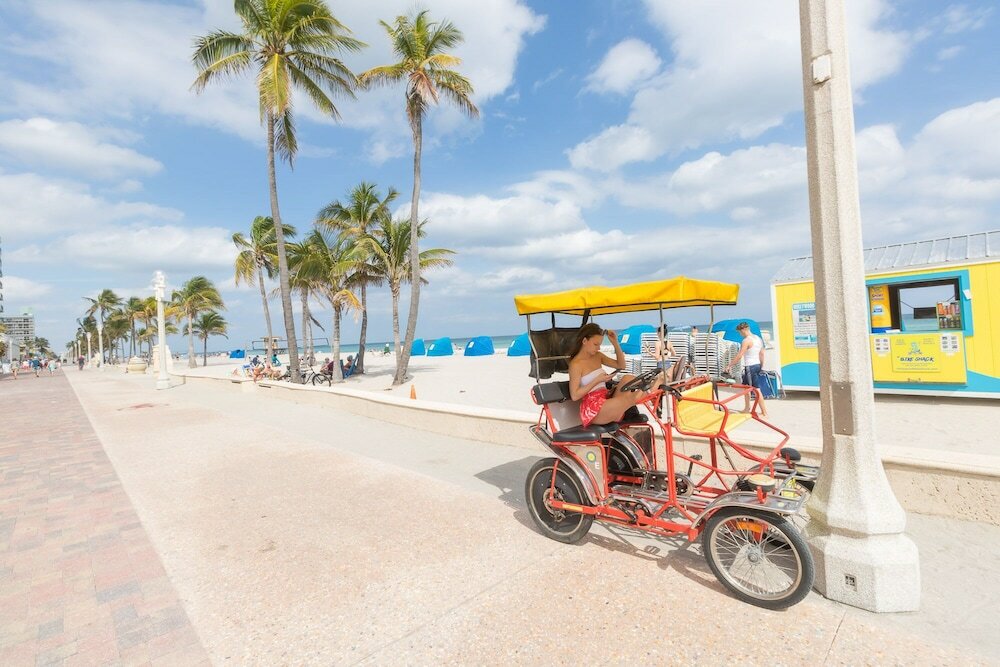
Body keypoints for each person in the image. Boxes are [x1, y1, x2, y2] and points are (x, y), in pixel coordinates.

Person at [568, 323, 647, 427]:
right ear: (584, 341)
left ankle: (648, 391)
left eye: (600, 344)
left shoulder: (597, 356)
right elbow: (574, 395)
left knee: (628, 378)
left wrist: (615, 343)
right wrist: (597, 380)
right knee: (629, 398)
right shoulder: (575, 365)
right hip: (594, 409)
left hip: (606, 398)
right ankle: (651, 390)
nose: (599, 348)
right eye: (596, 344)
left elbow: (621, 365)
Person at [724, 321, 768, 416]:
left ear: (743, 330)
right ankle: (747, 408)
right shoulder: (758, 338)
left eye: (740, 332)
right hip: (756, 365)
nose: (740, 334)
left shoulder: (746, 340)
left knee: (756, 390)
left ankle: (764, 412)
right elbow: (762, 353)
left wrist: (729, 365)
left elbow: (740, 355)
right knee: (745, 388)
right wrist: (761, 365)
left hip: (750, 367)